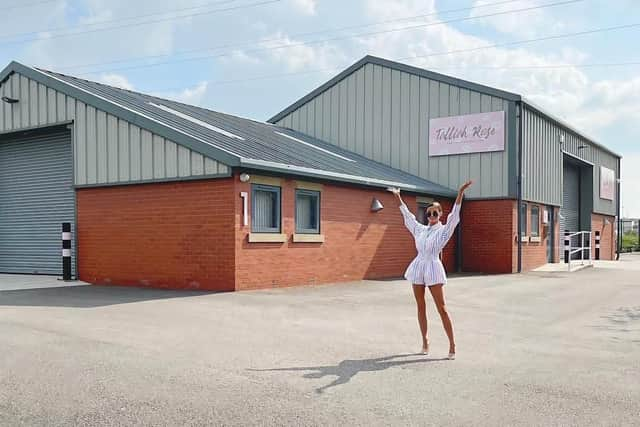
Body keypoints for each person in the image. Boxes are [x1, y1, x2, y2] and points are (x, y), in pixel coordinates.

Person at [388, 181, 472, 360]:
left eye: (435, 213)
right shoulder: (420, 229)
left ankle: (452, 345)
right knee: (420, 305)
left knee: (441, 307)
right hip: (419, 265)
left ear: (440, 214)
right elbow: (409, 217)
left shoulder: (443, 231)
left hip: (433, 266)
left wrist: (460, 193)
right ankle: (425, 341)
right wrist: (398, 197)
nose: (432, 215)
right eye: (429, 213)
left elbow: (454, 217)